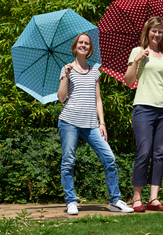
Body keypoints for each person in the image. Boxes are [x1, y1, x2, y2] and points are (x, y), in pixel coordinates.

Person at [57, 33, 134, 215]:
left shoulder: (94, 71)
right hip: (69, 121)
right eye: (80, 43)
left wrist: (103, 123)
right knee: (68, 161)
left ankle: (115, 200)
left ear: (90, 49)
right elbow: (61, 98)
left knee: (109, 158)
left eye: (87, 43)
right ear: (75, 47)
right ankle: (71, 201)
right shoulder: (66, 69)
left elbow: (98, 100)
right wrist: (66, 76)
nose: (83, 45)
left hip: (91, 123)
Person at [124, 17, 163, 212]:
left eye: (160, 31)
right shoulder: (137, 52)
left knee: (159, 153)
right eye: (154, 31)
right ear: (147, 32)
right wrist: (136, 61)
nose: (157, 34)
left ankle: (153, 198)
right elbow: (128, 81)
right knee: (144, 151)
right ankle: (136, 197)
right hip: (143, 108)